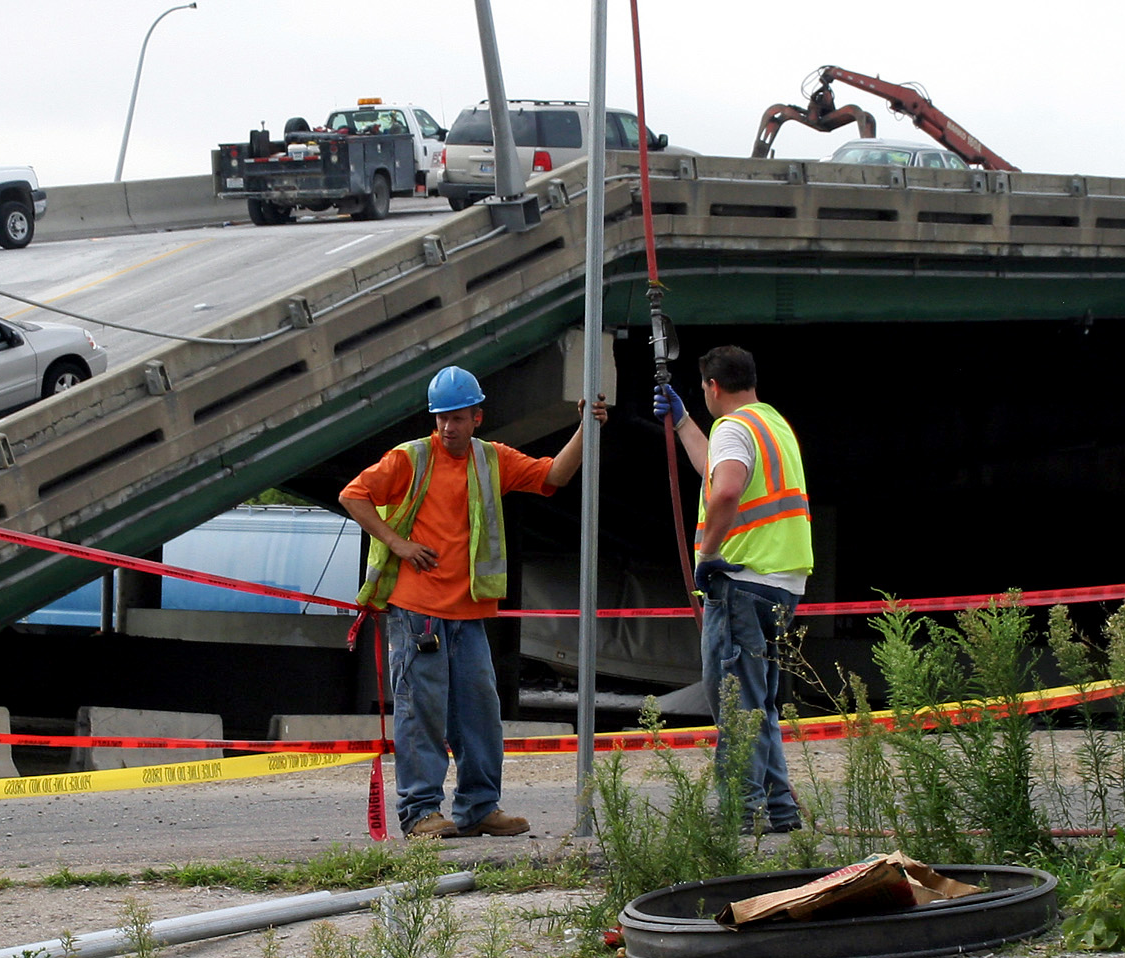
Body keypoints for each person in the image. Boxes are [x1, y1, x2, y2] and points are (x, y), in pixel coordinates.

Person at [341, 365, 607, 839]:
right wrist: (398, 544)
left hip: (468, 614)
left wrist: (588, 428)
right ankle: (421, 812)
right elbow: (354, 495)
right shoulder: (410, 458)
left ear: (477, 417)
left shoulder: (491, 460)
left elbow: (554, 474)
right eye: (441, 417)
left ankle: (479, 807)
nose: (448, 426)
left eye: (458, 417)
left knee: (479, 713)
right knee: (420, 711)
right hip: (418, 612)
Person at [655, 345, 812, 835]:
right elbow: (719, 473)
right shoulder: (772, 425)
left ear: (713, 387)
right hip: (781, 585)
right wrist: (683, 424)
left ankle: (739, 818)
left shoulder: (732, 429)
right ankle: (780, 812)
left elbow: (724, 490)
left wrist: (708, 554)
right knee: (758, 702)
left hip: (741, 582)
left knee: (734, 704)